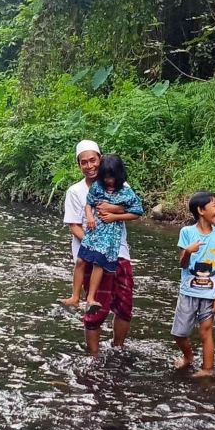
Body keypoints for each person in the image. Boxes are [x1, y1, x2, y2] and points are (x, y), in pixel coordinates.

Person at [62, 140, 140, 356]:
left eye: (93, 160)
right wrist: (94, 244)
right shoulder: (75, 191)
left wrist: (112, 208)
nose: (89, 166)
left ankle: (118, 348)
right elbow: (74, 226)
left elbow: (133, 208)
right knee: (96, 307)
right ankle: (94, 356)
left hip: (120, 252)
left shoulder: (121, 185)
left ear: (101, 158)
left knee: (125, 306)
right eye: (84, 162)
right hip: (90, 255)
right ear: (79, 165)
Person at [171, 191, 215, 377]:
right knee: (179, 333)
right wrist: (188, 251)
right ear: (200, 210)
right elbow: (182, 263)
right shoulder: (186, 232)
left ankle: (207, 369)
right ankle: (189, 357)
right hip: (188, 291)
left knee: (206, 332)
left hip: (210, 294)